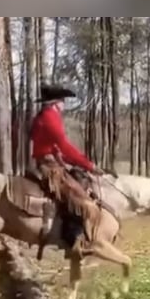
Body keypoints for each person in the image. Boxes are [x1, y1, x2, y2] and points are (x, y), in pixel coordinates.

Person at [29, 84, 109, 260]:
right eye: (63, 101)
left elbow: (57, 147)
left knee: (78, 184)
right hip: (49, 166)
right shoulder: (51, 117)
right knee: (80, 199)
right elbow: (64, 146)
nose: (64, 105)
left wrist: (77, 163)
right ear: (57, 102)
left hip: (51, 161)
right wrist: (90, 165)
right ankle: (73, 240)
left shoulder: (46, 116)